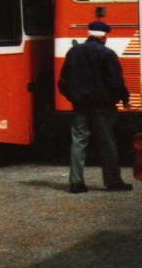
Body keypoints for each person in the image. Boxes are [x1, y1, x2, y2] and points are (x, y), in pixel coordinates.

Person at [57, 19, 134, 193]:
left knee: (78, 142)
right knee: (107, 142)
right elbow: (116, 81)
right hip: (103, 107)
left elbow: (62, 82)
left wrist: (72, 96)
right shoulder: (107, 54)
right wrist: (123, 98)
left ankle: (76, 182)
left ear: (89, 35)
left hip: (80, 105)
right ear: (104, 37)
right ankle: (113, 181)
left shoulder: (73, 52)